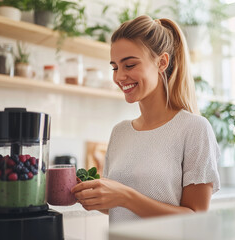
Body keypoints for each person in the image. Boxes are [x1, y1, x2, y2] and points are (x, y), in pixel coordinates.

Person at [71, 15, 220, 223]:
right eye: (114, 67)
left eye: (129, 65)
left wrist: (125, 196)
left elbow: (196, 220)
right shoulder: (120, 132)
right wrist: (94, 197)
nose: (119, 77)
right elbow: (121, 208)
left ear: (162, 62)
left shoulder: (194, 129)